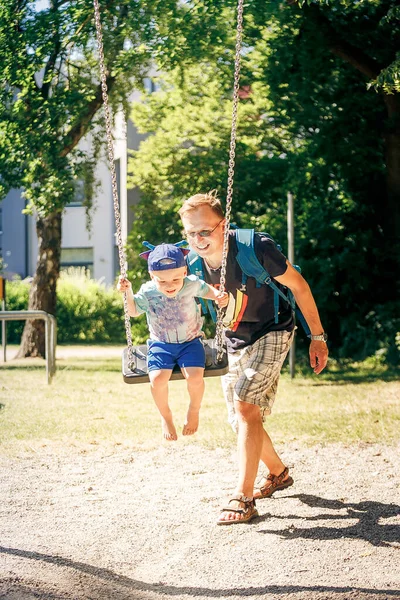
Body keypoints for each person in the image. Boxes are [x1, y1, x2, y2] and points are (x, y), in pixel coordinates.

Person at [179, 191, 329, 524]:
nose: (198, 239)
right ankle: (278, 473)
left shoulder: (255, 248)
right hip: (234, 340)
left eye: (205, 231)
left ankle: (242, 498)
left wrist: (317, 338)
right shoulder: (189, 262)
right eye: (191, 233)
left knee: (246, 405)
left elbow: (300, 287)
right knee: (240, 420)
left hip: (274, 329)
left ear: (224, 224)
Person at [117, 242, 228, 441]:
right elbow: (133, 312)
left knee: (194, 377)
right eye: (163, 282)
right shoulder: (149, 291)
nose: (170, 286)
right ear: (152, 276)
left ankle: (193, 410)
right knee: (157, 379)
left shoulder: (191, 284)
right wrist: (128, 292)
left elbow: (207, 290)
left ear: (184, 271)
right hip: (160, 344)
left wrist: (218, 296)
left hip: (191, 342)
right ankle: (165, 416)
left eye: (176, 279)